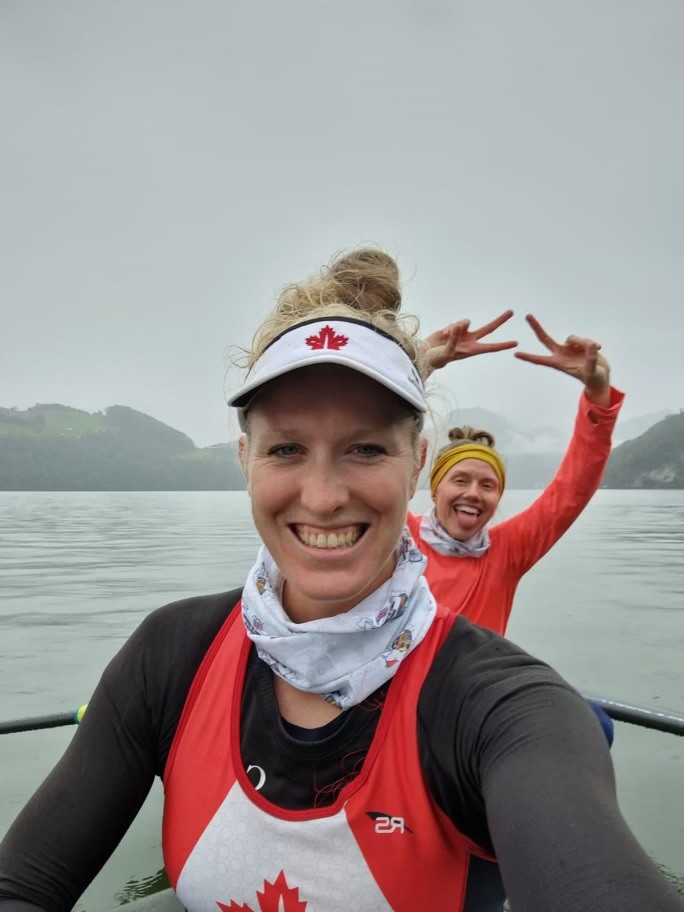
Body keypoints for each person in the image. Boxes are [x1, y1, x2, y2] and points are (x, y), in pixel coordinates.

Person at [0, 249, 681, 912]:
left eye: (365, 449)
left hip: (463, 730)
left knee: (584, 726)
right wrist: (412, 362)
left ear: (412, 465)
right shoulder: (169, 653)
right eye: (286, 448)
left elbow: (565, 494)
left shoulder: (508, 697)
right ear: (245, 460)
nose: (324, 498)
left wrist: (598, 402)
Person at [411, 312, 624, 635]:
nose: (473, 493)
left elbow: (572, 490)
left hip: (478, 686)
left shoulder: (507, 551)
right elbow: (372, 441)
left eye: (488, 485)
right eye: (460, 480)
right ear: (436, 488)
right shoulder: (398, 538)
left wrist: (598, 393)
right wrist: (416, 366)